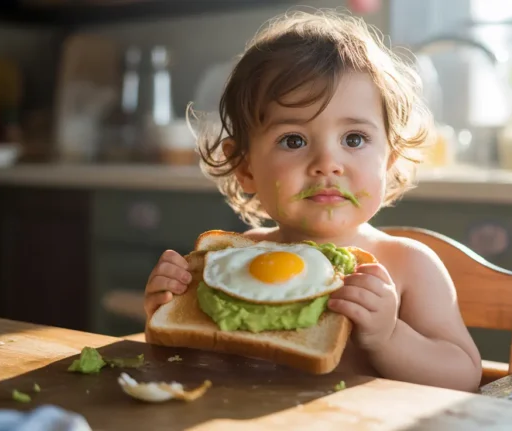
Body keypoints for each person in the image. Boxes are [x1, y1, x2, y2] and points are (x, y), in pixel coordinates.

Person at [144, 8, 482, 392]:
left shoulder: (409, 266)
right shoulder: (232, 261)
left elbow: (465, 376)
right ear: (246, 166)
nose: (327, 164)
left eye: (354, 139)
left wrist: (389, 337)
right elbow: (191, 364)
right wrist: (164, 314)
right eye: (294, 140)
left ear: (388, 160)